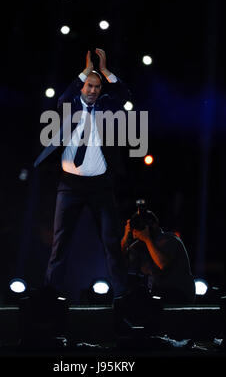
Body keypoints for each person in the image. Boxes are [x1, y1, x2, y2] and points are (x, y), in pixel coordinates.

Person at [34, 48, 131, 300]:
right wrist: (88, 68)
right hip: (70, 186)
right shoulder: (70, 104)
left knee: (111, 242)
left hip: (100, 187)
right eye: (89, 85)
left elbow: (124, 93)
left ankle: (122, 295)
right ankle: (50, 295)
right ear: (82, 86)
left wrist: (105, 69)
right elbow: (64, 96)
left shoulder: (107, 106)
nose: (92, 90)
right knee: (60, 243)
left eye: (97, 87)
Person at [121, 205, 195, 304]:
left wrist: (147, 239)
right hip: (158, 295)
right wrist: (126, 237)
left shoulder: (169, 239)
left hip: (178, 294)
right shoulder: (140, 246)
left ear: (153, 225)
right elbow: (119, 265)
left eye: (140, 227)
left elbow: (162, 264)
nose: (136, 231)